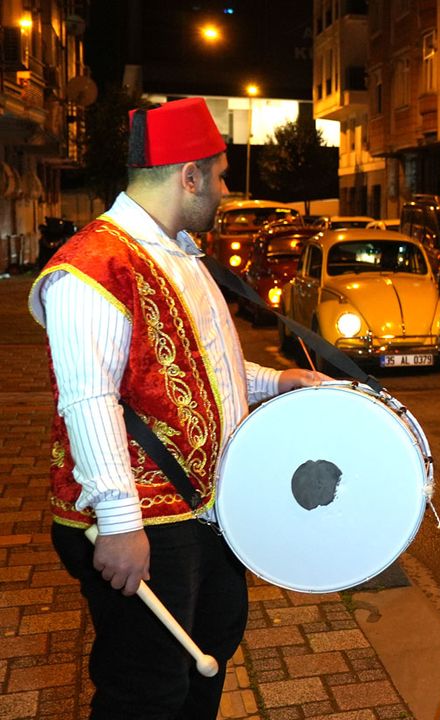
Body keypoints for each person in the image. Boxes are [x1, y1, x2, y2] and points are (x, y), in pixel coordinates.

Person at [27, 97, 326, 719]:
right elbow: (87, 399)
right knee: (146, 692)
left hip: (201, 509)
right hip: (146, 522)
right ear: (188, 176)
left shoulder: (178, 252)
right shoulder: (92, 266)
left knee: (205, 661)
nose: (225, 190)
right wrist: (120, 524)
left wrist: (276, 380)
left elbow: (200, 366)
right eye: (219, 176)